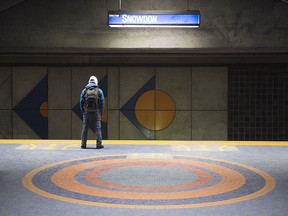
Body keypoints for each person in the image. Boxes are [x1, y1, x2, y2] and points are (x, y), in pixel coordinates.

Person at [80, 76, 104, 149]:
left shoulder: (84, 90)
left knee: (85, 128)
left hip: (86, 112)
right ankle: (98, 144)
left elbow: (81, 101)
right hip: (96, 112)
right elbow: (102, 103)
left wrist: (83, 111)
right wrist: (101, 112)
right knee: (97, 128)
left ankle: (83, 144)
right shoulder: (99, 91)